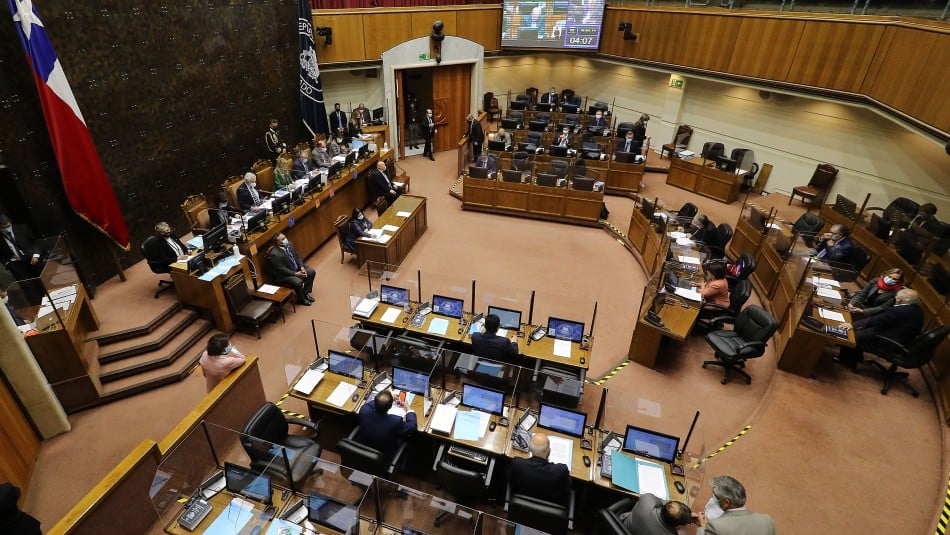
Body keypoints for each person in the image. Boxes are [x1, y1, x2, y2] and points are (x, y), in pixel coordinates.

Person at [836, 288, 924, 368]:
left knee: (853, 335)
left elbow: (878, 319)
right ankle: (857, 357)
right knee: (864, 329)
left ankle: (846, 361)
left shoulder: (899, 310)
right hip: (904, 340)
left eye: (896, 297)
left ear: (899, 299)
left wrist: (853, 325)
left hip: (888, 342)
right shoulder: (918, 310)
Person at [695, 476, 775, 535]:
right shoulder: (767, 520)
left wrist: (703, 527)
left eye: (715, 496)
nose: (713, 498)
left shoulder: (715, 526)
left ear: (726, 503)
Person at [508, 432, 571, 506]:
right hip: (549, 512)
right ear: (549, 452)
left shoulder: (517, 464)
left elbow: (511, 481)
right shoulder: (561, 471)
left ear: (529, 448)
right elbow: (566, 491)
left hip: (522, 509)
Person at [356, 390, 417, 461]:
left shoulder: (364, 410)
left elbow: (370, 404)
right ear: (390, 406)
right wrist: (408, 409)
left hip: (363, 446)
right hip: (383, 454)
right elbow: (412, 427)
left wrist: (386, 399)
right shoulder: (395, 421)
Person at [265, 233, 315, 306]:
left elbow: (297, 255)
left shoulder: (290, 244)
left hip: (296, 269)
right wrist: (295, 274)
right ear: (277, 242)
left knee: (311, 272)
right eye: (282, 239)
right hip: (285, 275)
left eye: (285, 237)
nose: (285, 239)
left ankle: (305, 293)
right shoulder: (274, 254)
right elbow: (281, 269)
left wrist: (301, 267)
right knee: (298, 282)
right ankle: (301, 299)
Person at [618, 493, 694, 535]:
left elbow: (661, 502)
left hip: (620, 525)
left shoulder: (647, 500)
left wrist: (670, 504)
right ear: (679, 527)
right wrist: (686, 520)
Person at [0, 214, 42, 281]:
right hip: (16, 264)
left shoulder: (23, 228)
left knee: (42, 279)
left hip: (32, 258)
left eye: (8, 226)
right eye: (3, 228)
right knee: (28, 284)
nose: (6, 229)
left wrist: (36, 255)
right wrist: (7, 264)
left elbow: (36, 242)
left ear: (11, 223)